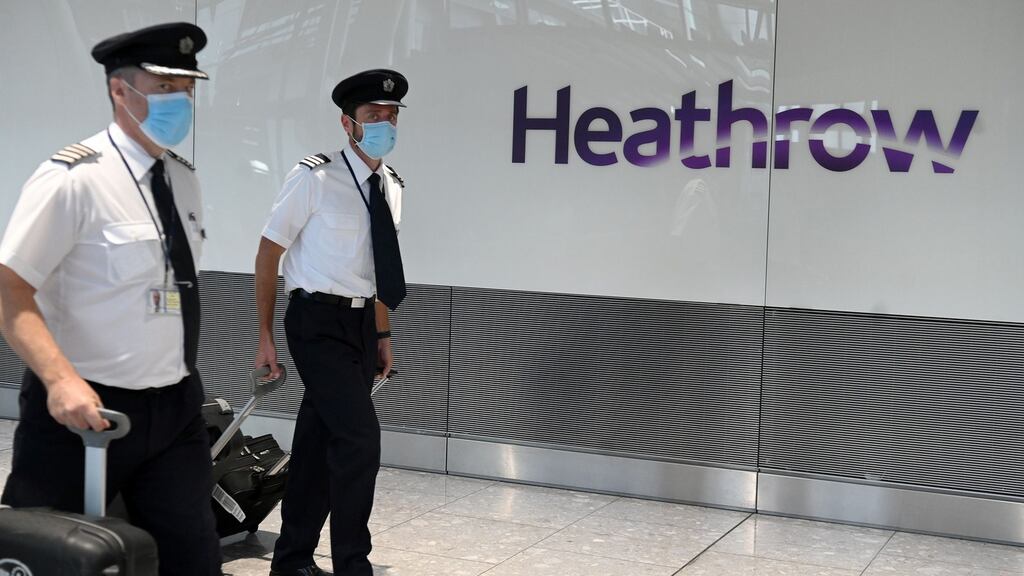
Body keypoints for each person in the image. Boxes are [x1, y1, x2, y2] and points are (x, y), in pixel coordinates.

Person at [0, 22, 221, 575]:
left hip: (175, 408)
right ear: (119, 91)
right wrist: (60, 380)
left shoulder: (183, 179)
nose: (181, 100)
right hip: (82, 411)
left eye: (188, 89)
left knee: (193, 559)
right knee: (50, 558)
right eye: (166, 87)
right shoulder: (73, 178)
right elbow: (10, 288)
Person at [254, 69, 410, 576]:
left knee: (319, 442)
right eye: (373, 115)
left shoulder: (391, 185)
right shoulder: (314, 177)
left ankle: (292, 560)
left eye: (391, 115)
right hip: (316, 322)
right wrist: (264, 336)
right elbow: (267, 253)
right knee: (360, 440)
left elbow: (379, 267)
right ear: (349, 123)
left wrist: (382, 333)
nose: (384, 122)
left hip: (363, 327)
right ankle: (353, 564)